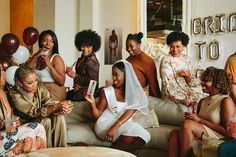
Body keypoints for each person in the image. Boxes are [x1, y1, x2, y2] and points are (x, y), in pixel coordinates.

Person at [168, 67, 236, 157]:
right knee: (175, 133)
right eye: (203, 80)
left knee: (187, 124)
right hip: (204, 134)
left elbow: (228, 132)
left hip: (220, 137)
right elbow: (198, 123)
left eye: (206, 80)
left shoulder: (226, 101)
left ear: (217, 83)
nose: (202, 83)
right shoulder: (202, 101)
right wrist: (192, 118)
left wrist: (199, 120)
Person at [85, 60, 150, 152]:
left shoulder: (135, 93)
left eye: (116, 75)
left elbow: (131, 111)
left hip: (122, 125)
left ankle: (112, 153)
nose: (114, 78)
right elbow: (97, 114)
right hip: (105, 125)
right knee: (133, 133)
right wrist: (92, 103)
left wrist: (114, 127)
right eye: (113, 75)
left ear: (126, 75)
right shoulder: (107, 91)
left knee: (145, 136)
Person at [8, 66, 73, 148]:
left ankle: (61, 150)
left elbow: (48, 103)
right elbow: (33, 111)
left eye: (36, 81)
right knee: (45, 121)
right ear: (20, 83)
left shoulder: (39, 87)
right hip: (23, 123)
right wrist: (55, 107)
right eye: (30, 83)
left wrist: (62, 108)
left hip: (39, 117)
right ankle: (46, 150)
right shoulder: (14, 94)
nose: (34, 85)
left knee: (59, 117)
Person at [0, 64, 46, 156]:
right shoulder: (12, 94)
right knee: (28, 132)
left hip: (6, 132)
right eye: (2, 70)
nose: (5, 72)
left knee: (38, 127)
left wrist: (11, 123)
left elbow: (8, 120)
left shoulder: (2, 92)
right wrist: (3, 124)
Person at [160, 31, 206, 107]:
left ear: (184, 46)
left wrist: (188, 77)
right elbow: (168, 86)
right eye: (172, 46)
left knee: (208, 98)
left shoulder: (187, 59)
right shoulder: (166, 60)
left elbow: (192, 83)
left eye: (178, 46)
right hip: (172, 96)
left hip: (187, 92)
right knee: (201, 101)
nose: (175, 50)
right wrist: (184, 99)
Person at [27, 30, 66, 101]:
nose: (48, 44)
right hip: (39, 90)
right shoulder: (36, 57)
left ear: (54, 44)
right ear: (40, 42)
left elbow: (61, 82)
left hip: (54, 91)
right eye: (45, 40)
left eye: (51, 41)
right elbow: (26, 72)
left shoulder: (56, 58)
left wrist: (49, 65)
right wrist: (35, 56)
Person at [66, 29, 101, 101]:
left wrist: (75, 76)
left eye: (88, 47)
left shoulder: (91, 61)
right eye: (83, 46)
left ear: (93, 46)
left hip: (89, 92)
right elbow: (80, 76)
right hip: (81, 89)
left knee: (68, 98)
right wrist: (76, 84)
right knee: (65, 95)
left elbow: (93, 82)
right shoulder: (81, 58)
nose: (85, 49)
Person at [126, 32, 161, 98]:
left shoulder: (147, 61)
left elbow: (153, 85)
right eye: (127, 46)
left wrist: (156, 104)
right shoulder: (127, 60)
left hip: (138, 97)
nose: (128, 49)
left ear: (139, 45)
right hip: (125, 95)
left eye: (131, 46)